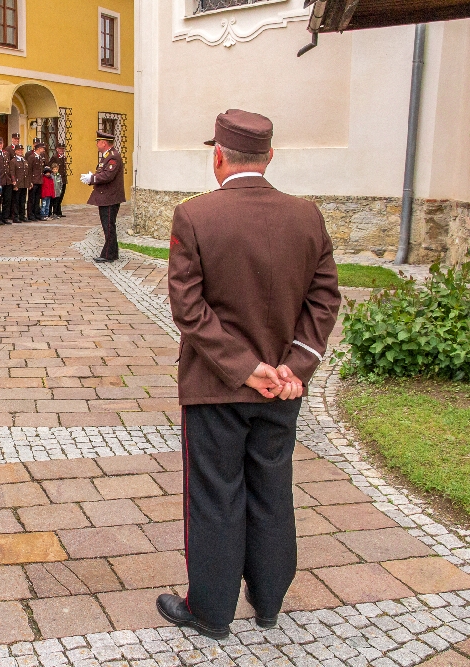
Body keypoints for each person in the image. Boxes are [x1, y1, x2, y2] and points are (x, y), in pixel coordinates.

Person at [156, 109, 341, 640]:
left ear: (218, 156)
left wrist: (244, 368)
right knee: (272, 492)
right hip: (283, 388)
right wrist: (293, 366)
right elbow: (325, 299)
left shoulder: (194, 215)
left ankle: (211, 611)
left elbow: (189, 309)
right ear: (270, 156)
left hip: (216, 386)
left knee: (215, 497)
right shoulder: (307, 216)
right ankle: (268, 602)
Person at [81, 131, 125, 263]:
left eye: (98, 142)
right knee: (108, 225)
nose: (96, 144)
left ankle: (108, 254)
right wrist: (92, 178)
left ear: (104, 143)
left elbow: (107, 176)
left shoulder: (113, 157)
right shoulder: (107, 156)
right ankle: (112, 252)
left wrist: (92, 178)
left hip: (109, 197)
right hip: (106, 196)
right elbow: (103, 173)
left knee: (109, 226)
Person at [26, 141, 46, 220]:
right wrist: (30, 181)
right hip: (33, 181)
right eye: (42, 148)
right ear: (38, 149)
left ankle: (36, 213)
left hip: (39, 180)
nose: (43, 150)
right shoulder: (32, 157)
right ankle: (30, 214)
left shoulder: (40, 157)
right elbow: (29, 170)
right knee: (32, 198)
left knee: (37, 198)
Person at [11, 144, 29, 223]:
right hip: (18, 183)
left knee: (23, 201)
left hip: (24, 183)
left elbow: (27, 173)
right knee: (16, 201)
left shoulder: (24, 160)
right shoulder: (13, 161)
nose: (20, 151)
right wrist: (14, 184)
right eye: (18, 150)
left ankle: (22, 215)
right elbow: (12, 173)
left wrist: (28, 183)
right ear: (15, 151)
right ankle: (15, 216)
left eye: (21, 150)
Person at [49, 144, 68, 217]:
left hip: (62, 179)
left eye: (63, 149)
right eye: (60, 149)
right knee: (56, 196)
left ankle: (58, 211)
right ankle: (55, 212)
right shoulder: (54, 157)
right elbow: (51, 167)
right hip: (56, 179)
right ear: (57, 149)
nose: (61, 150)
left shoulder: (64, 157)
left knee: (61, 196)